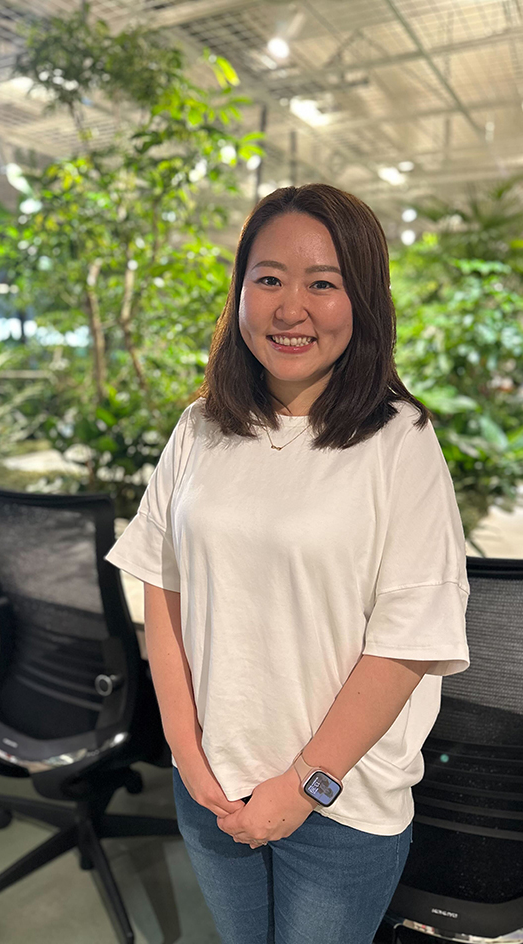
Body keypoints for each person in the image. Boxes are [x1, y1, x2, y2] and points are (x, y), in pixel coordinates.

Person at [103, 183, 470, 944]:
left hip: (341, 801)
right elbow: (163, 589)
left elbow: (407, 641)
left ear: (362, 300)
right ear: (239, 292)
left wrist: (303, 786)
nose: (290, 308)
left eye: (323, 283)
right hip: (209, 784)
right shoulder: (201, 427)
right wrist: (185, 753)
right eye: (268, 278)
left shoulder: (399, 441)